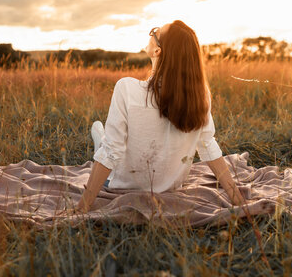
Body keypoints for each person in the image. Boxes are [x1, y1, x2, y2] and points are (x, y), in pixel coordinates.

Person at [75, 20, 248, 213]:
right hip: (170, 187)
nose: (152, 33)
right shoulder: (200, 95)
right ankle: (99, 135)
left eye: (155, 32)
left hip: (122, 185)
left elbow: (111, 151)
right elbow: (208, 145)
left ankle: (98, 136)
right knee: (107, 140)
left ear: (158, 50)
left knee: (104, 141)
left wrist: (82, 208)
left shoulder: (126, 88)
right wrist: (238, 199)